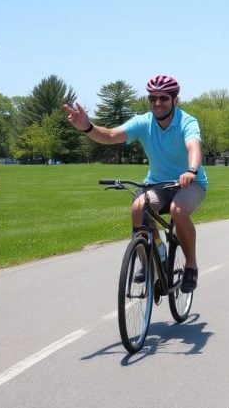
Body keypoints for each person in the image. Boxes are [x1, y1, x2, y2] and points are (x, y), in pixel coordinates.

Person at [63, 75, 206, 293]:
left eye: (163, 98)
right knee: (139, 208)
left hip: (189, 183)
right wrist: (87, 127)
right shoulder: (144, 122)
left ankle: (191, 265)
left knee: (178, 210)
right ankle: (152, 259)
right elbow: (111, 135)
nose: (157, 103)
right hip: (157, 184)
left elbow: (193, 147)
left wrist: (191, 170)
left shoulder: (187, 121)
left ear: (175, 100)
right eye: (152, 98)